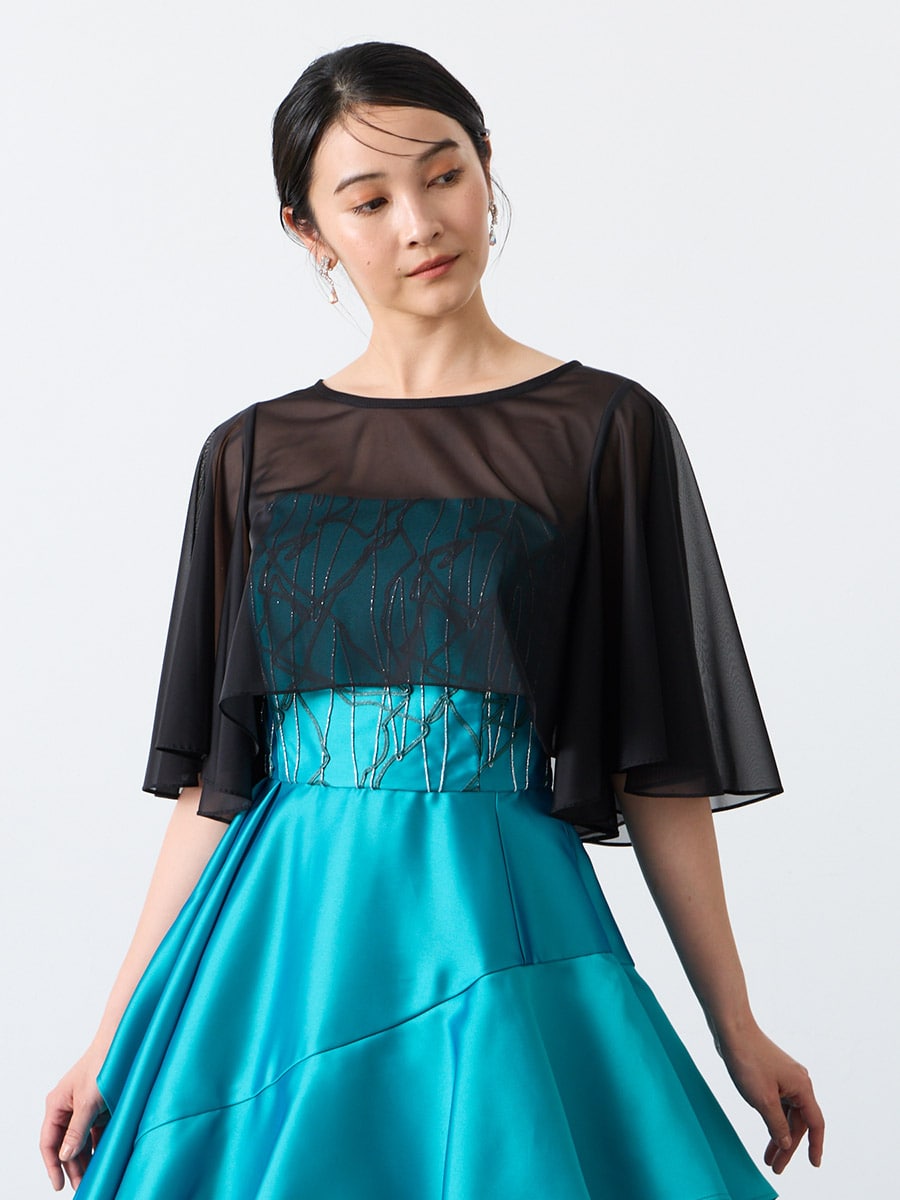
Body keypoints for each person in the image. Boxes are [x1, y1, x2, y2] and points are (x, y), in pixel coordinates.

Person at [40, 40, 825, 1198]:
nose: (419, 224)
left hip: (493, 908)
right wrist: (111, 1038)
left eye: (443, 174)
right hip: (283, 934)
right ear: (310, 230)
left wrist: (735, 1025)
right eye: (368, 201)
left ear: (486, 166)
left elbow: (658, 768)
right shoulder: (251, 456)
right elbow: (217, 783)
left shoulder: (603, 430)